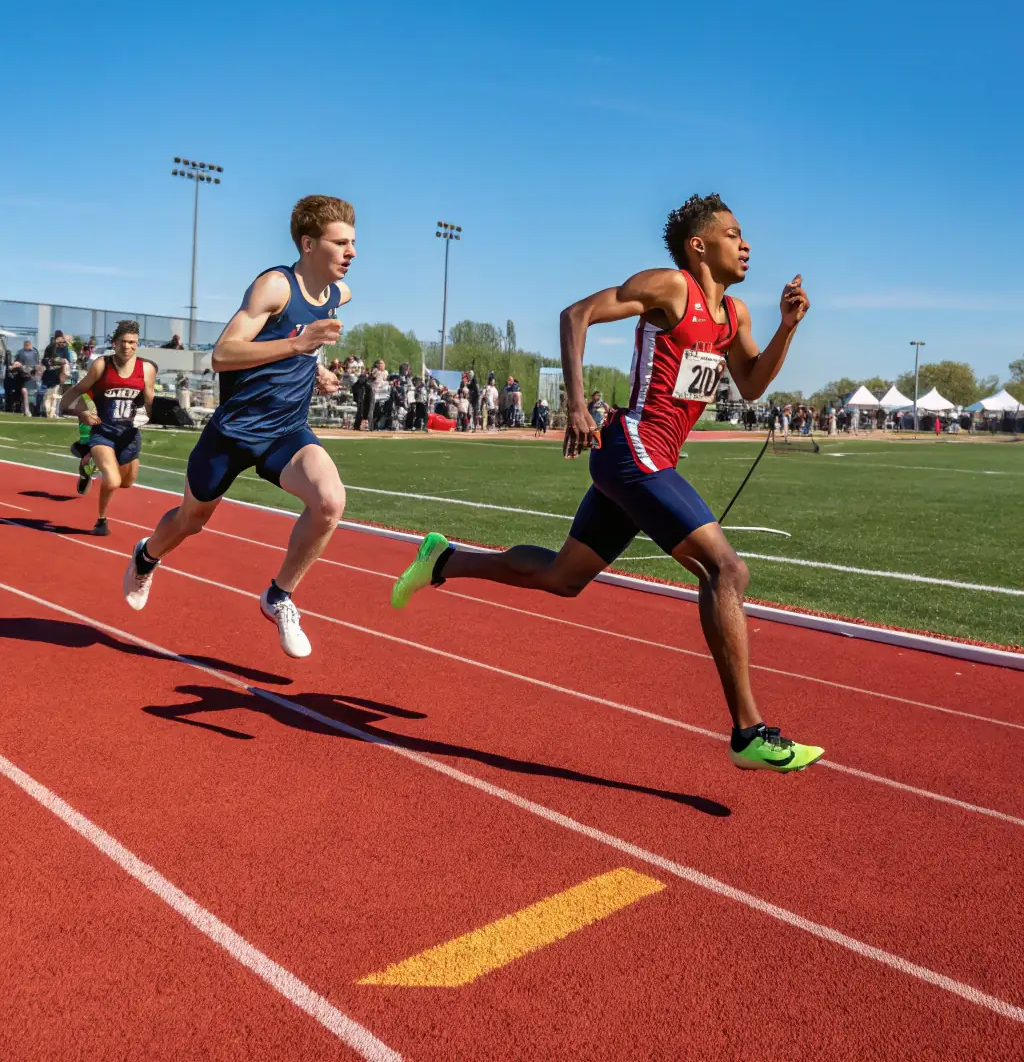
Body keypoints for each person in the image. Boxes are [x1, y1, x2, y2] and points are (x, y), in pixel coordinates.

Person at [392, 192, 823, 773]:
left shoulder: (736, 316)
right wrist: (576, 404)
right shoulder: (672, 288)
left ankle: (443, 560)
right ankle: (748, 732)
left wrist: (786, 329)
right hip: (631, 448)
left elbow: (751, 385)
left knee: (562, 577)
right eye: (733, 233)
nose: (745, 244)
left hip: (652, 458)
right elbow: (577, 314)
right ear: (700, 246)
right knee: (728, 569)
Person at [120, 194, 354, 659]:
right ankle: (146, 556)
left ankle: (279, 596)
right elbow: (223, 355)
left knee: (330, 500)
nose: (350, 252)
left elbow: (303, 347)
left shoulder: (338, 294)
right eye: (340, 242)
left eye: (353, 243)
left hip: (285, 432)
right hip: (232, 433)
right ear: (308, 244)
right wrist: (298, 346)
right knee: (192, 520)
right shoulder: (274, 287)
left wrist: (316, 369)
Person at [59, 321, 156, 534]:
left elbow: (149, 402)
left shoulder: (146, 369)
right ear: (114, 343)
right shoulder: (102, 365)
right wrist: (80, 412)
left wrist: (149, 415)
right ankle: (101, 521)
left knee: (126, 483)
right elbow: (75, 391)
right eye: (124, 342)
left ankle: (90, 464)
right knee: (112, 481)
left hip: (129, 436)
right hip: (103, 433)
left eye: (133, 343)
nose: (128, 347)